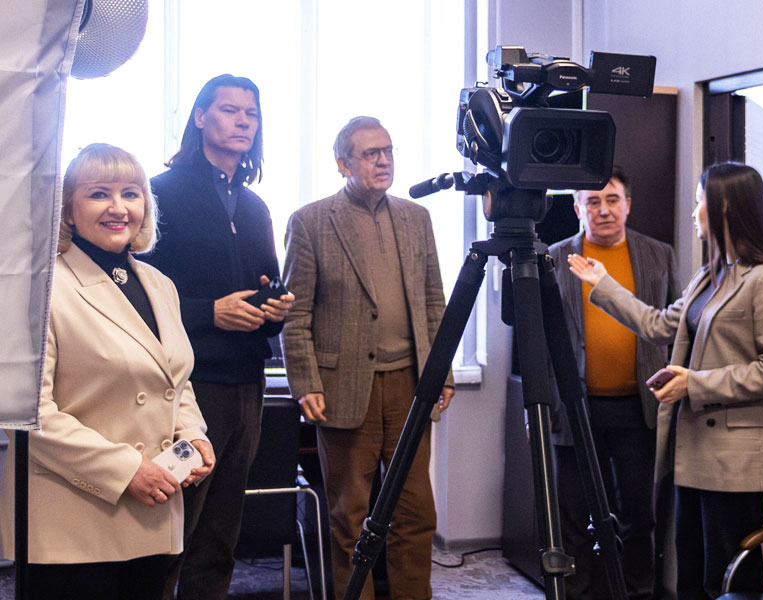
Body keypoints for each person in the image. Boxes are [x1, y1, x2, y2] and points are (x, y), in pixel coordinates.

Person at [568, 162, 763, 600]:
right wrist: (604, 284)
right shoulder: (710, 275)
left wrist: (694, 383)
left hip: (736, 459)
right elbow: (658, 325)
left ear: (724, 207)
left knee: (728, 578)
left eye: (699, 203)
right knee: (689, 572)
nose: (694, 213)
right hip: (693, 449)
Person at [0, 143, 214, 600]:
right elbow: (28, 413)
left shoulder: (160, 284)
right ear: (68, 210)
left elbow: (174, 381)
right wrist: (127, 470)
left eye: (131, 194)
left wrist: (193, 435)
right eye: (99, 193)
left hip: (152, 513)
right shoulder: (40, 288)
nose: (119, 208)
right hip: (72, 524)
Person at [282, 115, 453, 600]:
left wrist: (441, 372)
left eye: (388, 151)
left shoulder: (416, 218)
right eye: (370, 153)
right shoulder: (311, 221)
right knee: (349, 517)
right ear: (343, 164)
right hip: (343, 388)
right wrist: (305, 382)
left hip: (411, 387)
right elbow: (296, 313)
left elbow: (434, 302)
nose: (383, 161)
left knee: (415, 514)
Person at [144, 75, 294, 600]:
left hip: (247, 387)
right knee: (170, 534)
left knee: (220, 537)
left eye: (250, 114)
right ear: (201, 117)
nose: (242, 122)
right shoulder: (160, 194)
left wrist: (275, 310)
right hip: (188, 390)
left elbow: (265, 295)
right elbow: (135, 302)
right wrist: (210, 313)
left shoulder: (255, 208)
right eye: (229, 110)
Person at [548, 166, 679, 600]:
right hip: (574, 406)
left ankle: (638, 590)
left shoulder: (658, 255)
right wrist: (541, 407)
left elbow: (677, 332)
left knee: (638, 514)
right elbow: (539, 339)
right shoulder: (555, 258)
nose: (603, 210)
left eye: (612, 200)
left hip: (639, 407)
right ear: (577, 209)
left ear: (628, 204)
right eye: (593, 201)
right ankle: (580, 593)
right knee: (574, 515)